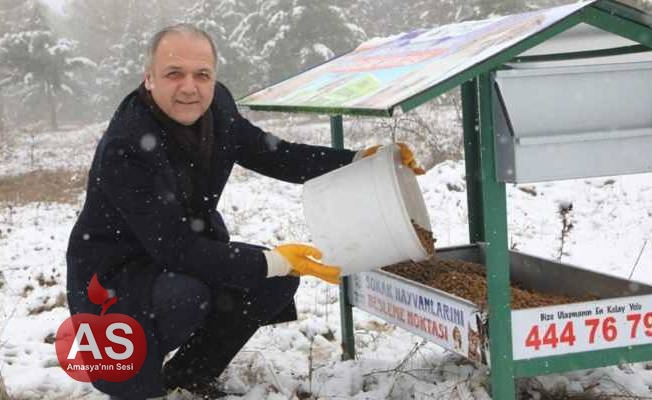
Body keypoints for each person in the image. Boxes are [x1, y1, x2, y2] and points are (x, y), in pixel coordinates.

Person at [66, 23, 425, 400]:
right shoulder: (126, 145)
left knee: (275, 281)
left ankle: (188, 376)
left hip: (179, 253)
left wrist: (357, 160)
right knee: (190, 295)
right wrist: (275, 260)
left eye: (201, 74)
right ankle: (142, 382)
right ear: (149, 78)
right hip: (117, 281)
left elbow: (275, 153)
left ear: (214, 77)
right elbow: (175, 249)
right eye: (174, 73)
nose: (190, 87)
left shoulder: (217, 106)